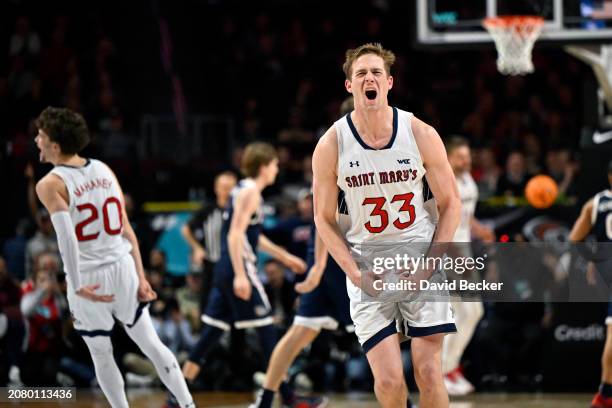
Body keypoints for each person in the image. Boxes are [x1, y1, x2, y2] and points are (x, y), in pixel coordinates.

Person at [312, 43, 461, 408]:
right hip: (367, 264)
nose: (369, 78)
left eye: (376, 72)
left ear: (389, 82)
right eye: (361, 73)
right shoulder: (331, 144)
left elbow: (451, 204)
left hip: (418, 254)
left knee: (427, 373)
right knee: (391, 382)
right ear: (350, 86)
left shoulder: (420, 133)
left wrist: (428, 266)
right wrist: (355, 273)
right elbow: (323, 219)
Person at [33, 107, 194, 408]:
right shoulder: (104, 169)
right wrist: (142, 277)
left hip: (89, 275)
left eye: (40, 136)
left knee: (102, 353)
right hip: (122, 267)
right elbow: (125, 227)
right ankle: (188, 405)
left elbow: (67, 237)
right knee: (152, 345)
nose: (36, 141)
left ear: (55, 144)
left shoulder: (49, 184)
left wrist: (76, 283)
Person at [181, 142, 307, 391]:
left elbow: (251, 235)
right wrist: (240, 275)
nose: (276, 169)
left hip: (225, 270)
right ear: (263, 167)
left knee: (210, 335)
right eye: (274, 164)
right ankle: (289, 395)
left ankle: (177, 394)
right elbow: (235, 235)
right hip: (238, 269)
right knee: (267, 332)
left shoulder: (242, 190)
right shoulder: (250, 192)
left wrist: (284, 257)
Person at [443, 136, 494, 395]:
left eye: (467, 156)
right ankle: (442, 371)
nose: (466, 161)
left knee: (474, 313)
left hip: (464, 253)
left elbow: (466, 215)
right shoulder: (440, 181)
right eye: (460, 157)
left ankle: (449, 367)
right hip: (447, 254)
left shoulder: (468, 180)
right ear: (448, 157)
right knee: (451, 315)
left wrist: (479, 229)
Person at [569, 160, 612, 408]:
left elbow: (575, 239)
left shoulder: (595, 203)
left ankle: (605, 392)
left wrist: (593, 260)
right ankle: (605, 393)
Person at [182, 171, 237, 308]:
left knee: (235, 305)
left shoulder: (239, 210)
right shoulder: (208, 210)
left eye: (230, 187)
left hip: (235, 265)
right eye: (223, 187)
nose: (226, 191)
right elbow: (186, 229)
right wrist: (197, 248)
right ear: (216, 188)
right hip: (211, 264)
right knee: (207, 303)